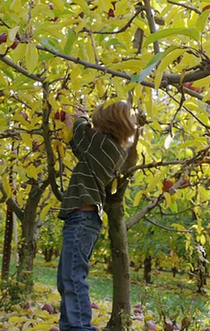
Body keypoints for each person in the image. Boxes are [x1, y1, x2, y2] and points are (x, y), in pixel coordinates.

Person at [56, 100, 136, 331]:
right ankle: (70, 327)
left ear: (104, 123)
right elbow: (79, 143)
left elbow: (80, 132)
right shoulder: (108, 149)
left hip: (82, 219)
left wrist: (79, 114)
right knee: (67, 279)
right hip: (83, 220)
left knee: (72, 278)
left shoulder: (101, 143)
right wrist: (74, 122)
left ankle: (80, 328)